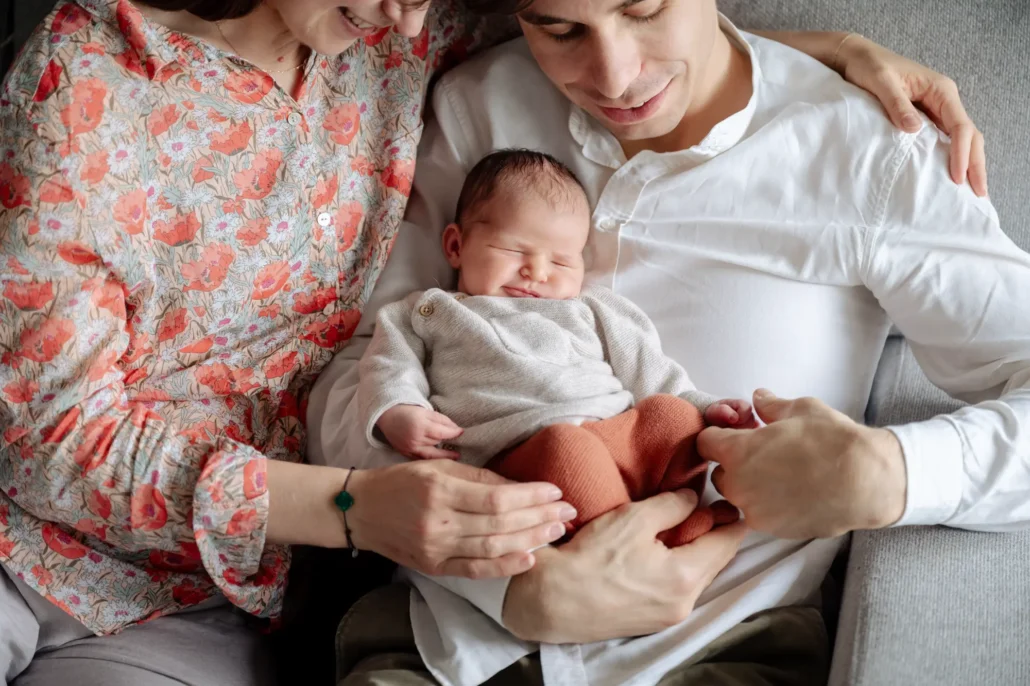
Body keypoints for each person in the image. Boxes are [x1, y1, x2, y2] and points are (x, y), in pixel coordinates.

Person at [0, 0, 990, 683]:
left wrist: (803, 52)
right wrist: (355, 506)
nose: (407, 16)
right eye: (555, 25)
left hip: (199, 596)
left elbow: (624, 48)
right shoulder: (84, 82)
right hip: (48, 538)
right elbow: (48, 432)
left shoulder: (386, 35)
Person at [309, 0, 1030, 685]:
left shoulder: (871, 150)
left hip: (720, 646)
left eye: (644, 10)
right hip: (450, 643)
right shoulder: (478, 106)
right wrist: (508, 582)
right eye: (559, 29)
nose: (615, 79)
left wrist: (894, 475)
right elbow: (357, 375)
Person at [358, 147, 751, 546]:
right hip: (520, 454)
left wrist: (703, 406)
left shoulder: (590, 308)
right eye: (514, 251)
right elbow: (388, 365)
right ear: (456, 247)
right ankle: (655, 542)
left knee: (671, 417)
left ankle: (675, 517)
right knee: (567, 451)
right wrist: (397, 412)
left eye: (562, 262)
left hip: (615, 432)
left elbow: (649, 367)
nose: (538, 272)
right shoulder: (429, 310)